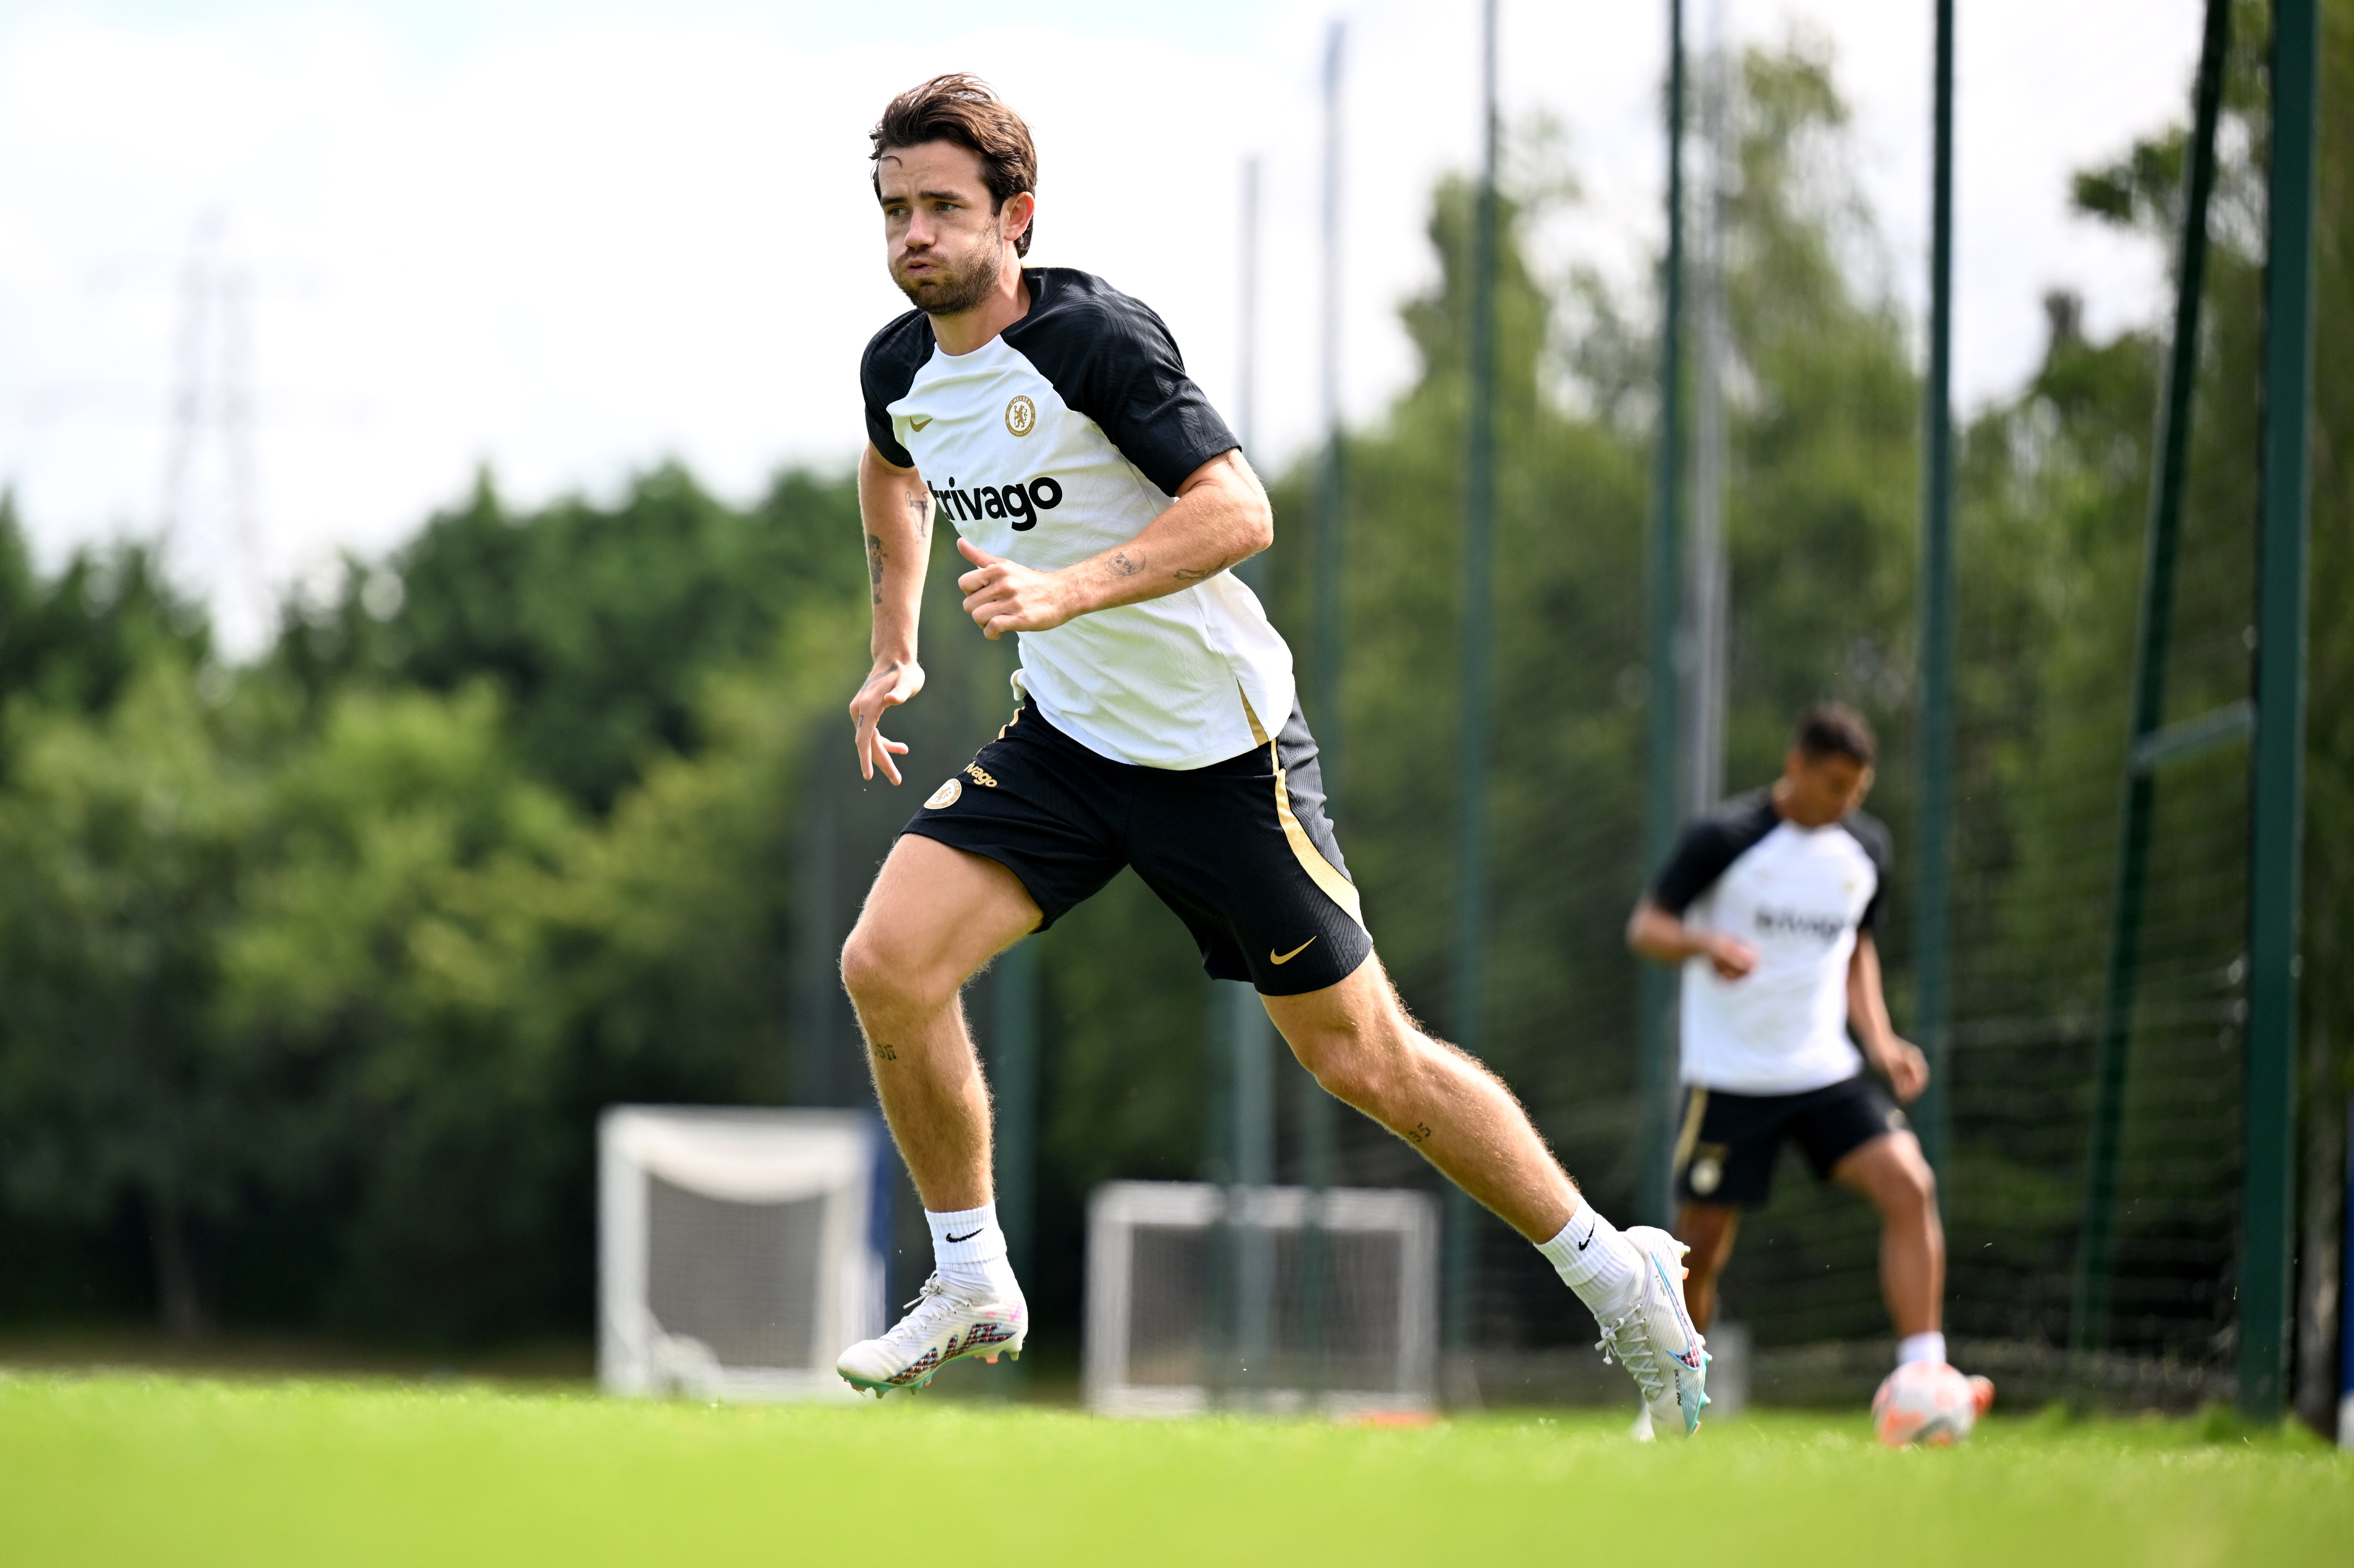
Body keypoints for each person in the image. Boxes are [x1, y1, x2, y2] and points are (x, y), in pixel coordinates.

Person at [829, 73, 1708, 1432]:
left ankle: (1619, 1272)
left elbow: (1237, 507)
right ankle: (973, 1278)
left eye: (943, 207)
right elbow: (891, 467)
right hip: (1065, 744)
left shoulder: (1095, 340)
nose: (914, 235)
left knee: (1368, 1064)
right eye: (894, 210)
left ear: (1018, 215)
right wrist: (899, 645)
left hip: (1221, 754)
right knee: (886, 962)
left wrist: (1064, 590)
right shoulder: (898, 364)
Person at [1626, 703, 1989, 1419]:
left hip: (1824, 1070)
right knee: (1700, 1244)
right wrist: (1707, 946)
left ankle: (1925, 1378)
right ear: (1795, 767)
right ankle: (1673, 1392)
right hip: (1730, 1076)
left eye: (1857, 789)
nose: (1844, 803)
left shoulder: (1865, 850)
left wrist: (1880, 1041)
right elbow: (1648, 926)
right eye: (1832, 785)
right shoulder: (1724, 838)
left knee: (1910, 1184)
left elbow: (1857, 949)